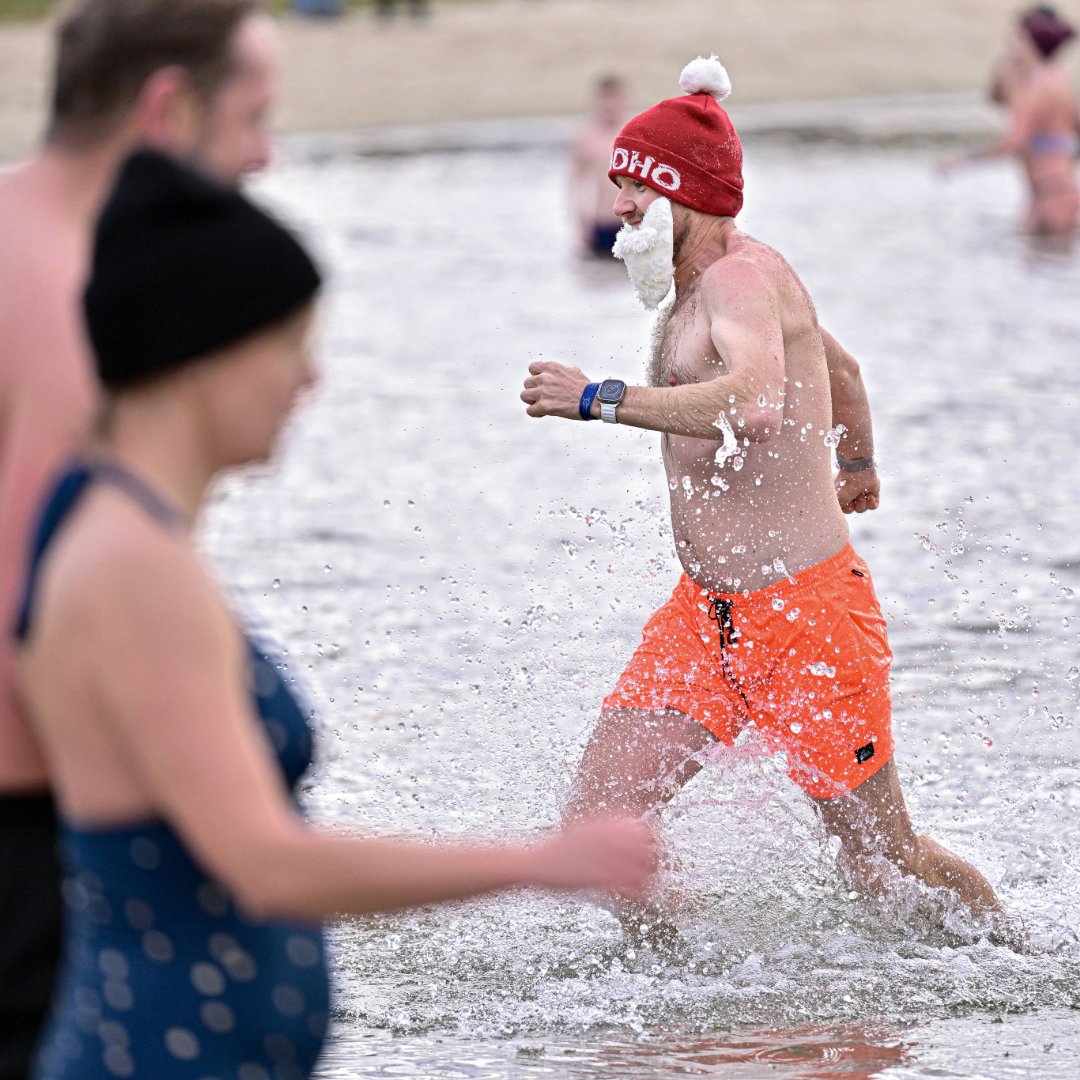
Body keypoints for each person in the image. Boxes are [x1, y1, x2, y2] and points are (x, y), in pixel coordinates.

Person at [15, 149, 656, 1080]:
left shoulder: (105, 519)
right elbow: (266, 866)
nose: (308, 383)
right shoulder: (133, 568)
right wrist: (540, 861)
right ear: (202, 356)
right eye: (289, 348)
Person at [521, 56, 1006, 946]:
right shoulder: (713, 284)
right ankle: (694, 993)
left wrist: (599, 398)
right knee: (598, 827)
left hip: (807, 619)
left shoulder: (740, 281)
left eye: (631, 190)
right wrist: (857, 461)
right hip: (705, 617)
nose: (617, 209)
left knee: (881, 860)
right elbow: (845, 370)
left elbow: (753, 400)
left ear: (679, 194)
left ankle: (1023, 960)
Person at [0, 3, 281, 1074]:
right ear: (167, 110)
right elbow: (48, 618)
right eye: (254, 117)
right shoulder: (80, 303)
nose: (266, 155)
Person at [942, 6, 1080, 236]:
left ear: (1030, 43)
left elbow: (1014, 142)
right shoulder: (1056, 80)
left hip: (1052, 195)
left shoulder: (1039, 88)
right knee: (1040, 262)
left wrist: (960, 162)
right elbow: (994, 96)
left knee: (1042, 262)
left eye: (1018, 38)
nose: (1012, 44)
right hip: (1051, 192)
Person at [569, 75, 630, 258]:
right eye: (606, 99)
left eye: (615, 98)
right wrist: (581, 223)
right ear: (597, 101)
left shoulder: (633, 134)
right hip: (601, 222)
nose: (610, 105)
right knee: (598, 278)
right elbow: (575, 183)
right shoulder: (586, 138)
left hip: (631, 222)